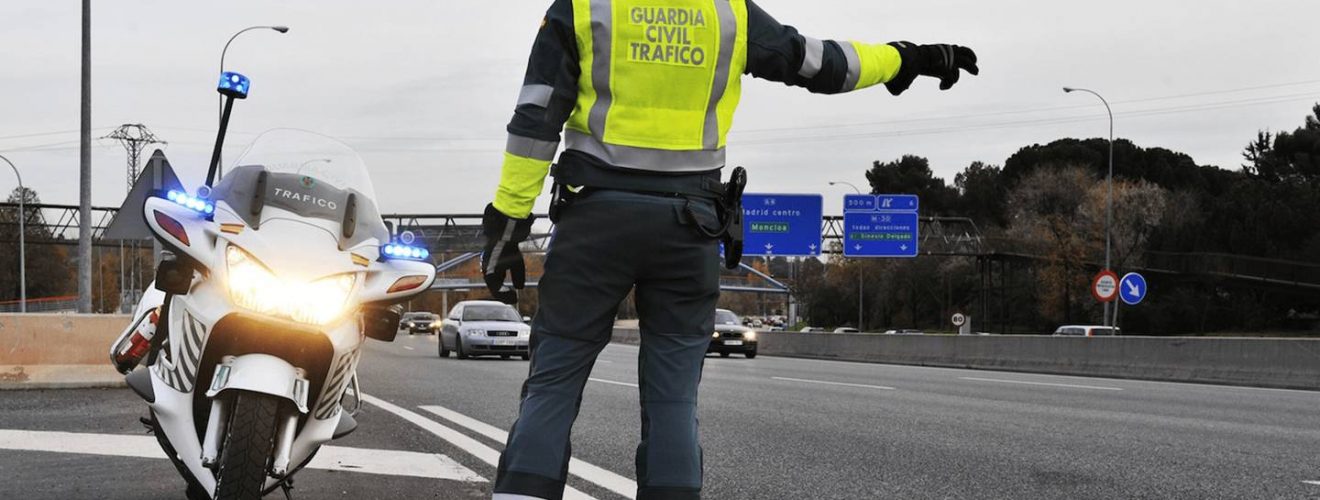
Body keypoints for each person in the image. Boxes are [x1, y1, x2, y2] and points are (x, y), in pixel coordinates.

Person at [479, 1, 978, 499]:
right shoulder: (727, 12)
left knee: (554, 383)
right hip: (689, 228)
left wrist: (508, 224)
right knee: (674, 398)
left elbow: (535, 119)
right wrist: (908, 58)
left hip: (595, 223)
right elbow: (822, 63)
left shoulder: (584, 7)